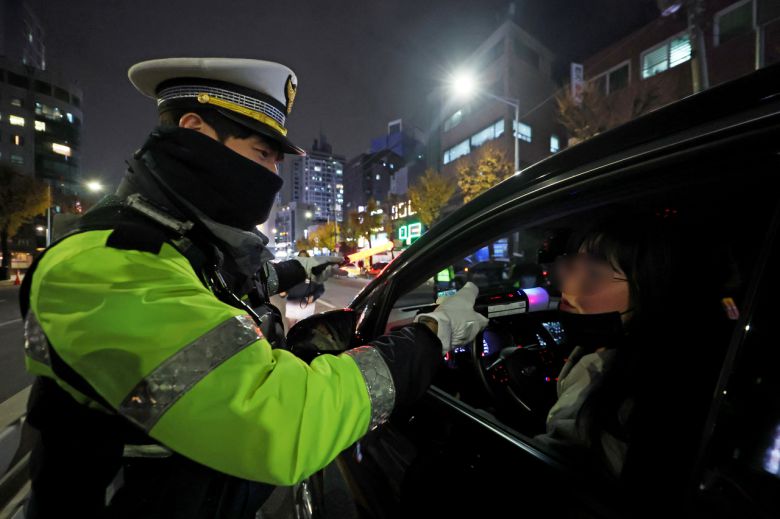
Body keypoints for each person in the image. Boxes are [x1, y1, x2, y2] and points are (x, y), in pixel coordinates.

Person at [19, 57, 488, 518]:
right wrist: (431, 335)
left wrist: (302, 268)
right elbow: (283, 421)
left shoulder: (176, 240)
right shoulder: (108, 265)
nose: (273, 177)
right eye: (263, 154)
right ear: (196, 131)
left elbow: (232, 284)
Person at [531, 211, 729, 491]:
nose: (569, 287)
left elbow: (546, 471)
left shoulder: (632, 390)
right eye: (573, 266)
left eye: (594, 274)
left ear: (647, 290)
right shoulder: (608, 350)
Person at [284, 250, 325, 327]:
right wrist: (284, 291)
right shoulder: (291, 272)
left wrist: (313, 296)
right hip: (292, 304)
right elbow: (285, 288)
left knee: (305, 328)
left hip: (307, 305)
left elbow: (321, 289)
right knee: (292, 328)